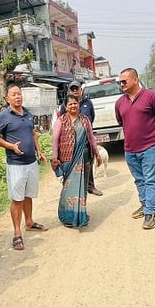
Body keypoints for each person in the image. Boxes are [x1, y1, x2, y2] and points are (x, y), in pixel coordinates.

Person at [0, 84, 48, 251]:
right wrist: (11, 146)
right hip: (16, 164)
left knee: (28, 194)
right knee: (17, 198)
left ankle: (29, 222)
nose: (18, 97)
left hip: (31, 162)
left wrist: (39, 152)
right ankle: (17, 233)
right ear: (7, 98)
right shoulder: (4, 116)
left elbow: (33, 134)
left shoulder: (27, 113)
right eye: (14, 94)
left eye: (19, 94)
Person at [114, 68, 155, 229]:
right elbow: (121, 121)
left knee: (151, 180)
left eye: (124, 81)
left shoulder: (151, 97)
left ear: (135, 80)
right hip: (130, 150)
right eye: (120, 82)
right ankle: (145, 204)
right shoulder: (120, 103)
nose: (121, 84)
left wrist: (150, 131)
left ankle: (151, 213)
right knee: (139, 180)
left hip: (149, 148)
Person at [52, 93, 102, 227]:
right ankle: (67, 217)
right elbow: (55, 141)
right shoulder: (60, 121)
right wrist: (55, 158)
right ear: (65, 106)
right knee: (69, 188)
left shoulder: (85, 120)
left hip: (84, 157)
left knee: (82, 186)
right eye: (70, 104)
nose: (73, 106)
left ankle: (80, 214)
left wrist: (97, 153)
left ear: (78, 104)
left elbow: (91, 138)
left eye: (75, 103)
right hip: (67, 159)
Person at [58, 80, 102, 196]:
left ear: (81, 90)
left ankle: (90, 186)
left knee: (87, 164)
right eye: (72, 89)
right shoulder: (65, 105)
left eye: (76, 89)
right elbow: (61, 123)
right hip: (70, 144)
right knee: (72, 171)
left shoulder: (88, 103)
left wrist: (84, 130)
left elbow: (91, 117)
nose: (75, 91)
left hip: (86, 140)